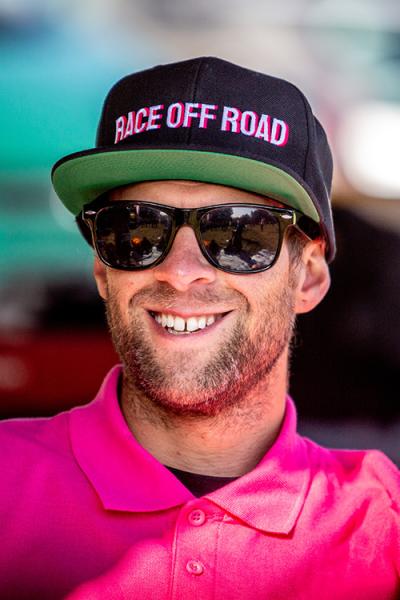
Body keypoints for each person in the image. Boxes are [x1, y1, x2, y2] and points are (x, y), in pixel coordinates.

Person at [1, 57, 399, 600]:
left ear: (307, 276)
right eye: (137, 230)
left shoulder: (383, 523)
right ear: (101, 268)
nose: (180, 272)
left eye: (238, 234)